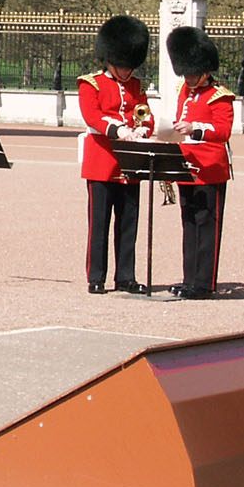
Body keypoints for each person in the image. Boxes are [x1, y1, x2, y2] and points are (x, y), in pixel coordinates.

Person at [78, 15, 153, 294]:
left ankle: (125, 276)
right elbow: (92, 116)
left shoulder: (136, 85)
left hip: (130, 162)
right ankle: (96, 276)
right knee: (99, 224)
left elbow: (145, 114)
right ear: (110, 59)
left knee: (128, 223)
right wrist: (118, 129)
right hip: (102, 161)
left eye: (129, 66)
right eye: (122, 65)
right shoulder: (91, 83)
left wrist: (143, 129)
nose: (126, 71)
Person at [167, 27, 234, 299]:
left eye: (193, 73)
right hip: (186, 165)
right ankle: (189, 279)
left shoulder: (220, 95)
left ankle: (204, 283)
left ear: (205, 70)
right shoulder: (185, 90)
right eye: (187, 73)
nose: (190, 78)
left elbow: (223, 131)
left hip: (209, 168)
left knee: (207, 226)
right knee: (189, 224)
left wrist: (195, 128)